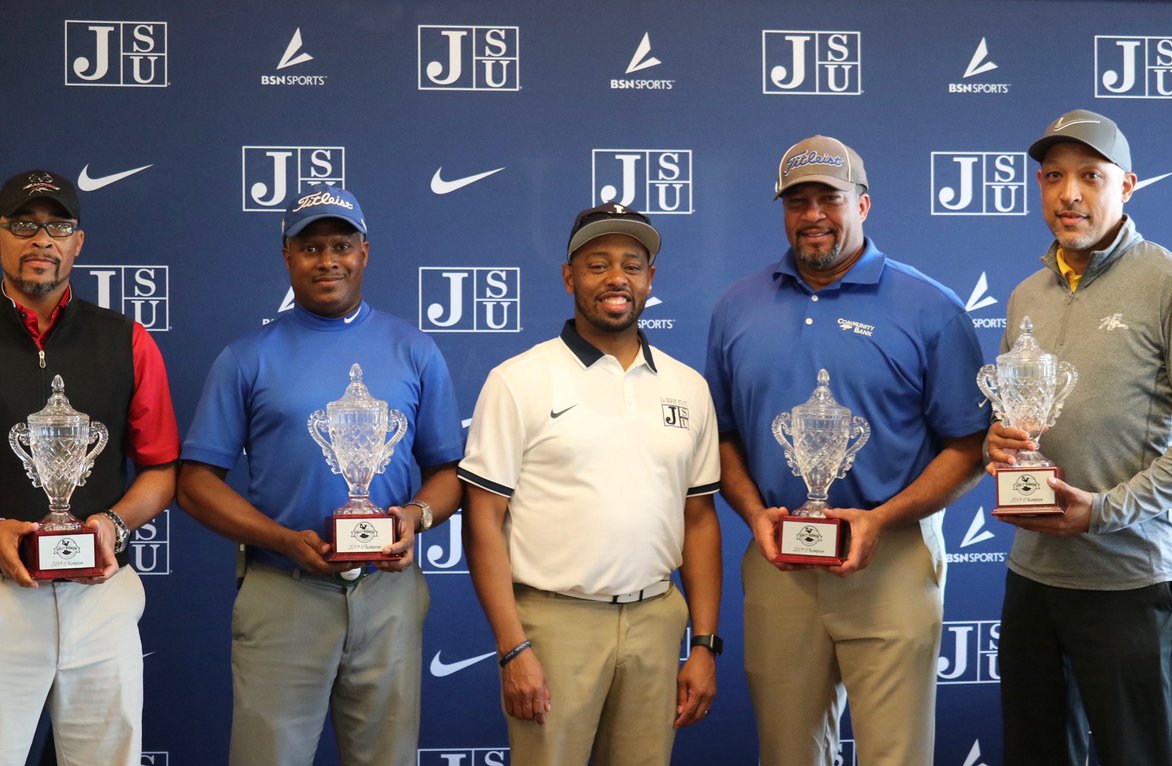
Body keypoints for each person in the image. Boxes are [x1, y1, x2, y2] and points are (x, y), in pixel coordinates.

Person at [705, 136, 990, 765]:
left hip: (890, 560)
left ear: (864, 204)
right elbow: (720, 436)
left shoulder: (930, 308)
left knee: (897, 754)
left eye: (829, 198)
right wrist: (755, 515)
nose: (813, 215)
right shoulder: (737, 308)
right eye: (797, 201)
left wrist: (879, 520)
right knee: (787, 754)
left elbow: (969, 447)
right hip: (778, 560)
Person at [176, 185, 463, 766]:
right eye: (310, 247)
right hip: (285, 589)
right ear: (287, 257)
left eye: (341, 245)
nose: (327, 259)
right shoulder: (247, 356)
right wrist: (281, 539)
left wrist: (414, 516)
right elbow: (195, 483)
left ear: (365, 252)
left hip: (388, 593)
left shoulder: (414, 348)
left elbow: (449, 471)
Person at [459, 203, 723, 765]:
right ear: (568, 277)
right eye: (597, 264)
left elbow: (699, 520)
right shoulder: (518, 381)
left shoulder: (689, 387)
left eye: (632, 264)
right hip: (554, 625)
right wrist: (513, 649)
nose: (616, 278)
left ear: (650, 279)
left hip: (657, 620)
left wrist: (702, 644)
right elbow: (482, 521)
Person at [987, 109, 1172, 766]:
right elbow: (1017, 423)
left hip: (1130, 580)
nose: (1068, 194)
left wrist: (1104, 511)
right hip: (1034, 576)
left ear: (1128, 186)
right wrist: (997, 446)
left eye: (1090, 176)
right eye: (1052, 176)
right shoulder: (1027, 293)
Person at [0, 169, 179, 765]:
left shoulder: (127, 339)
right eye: (24, 224)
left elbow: (159, 470)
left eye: (58, 226)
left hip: (99, 596)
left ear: (79, 242)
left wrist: (113, 524)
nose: (41, 240)